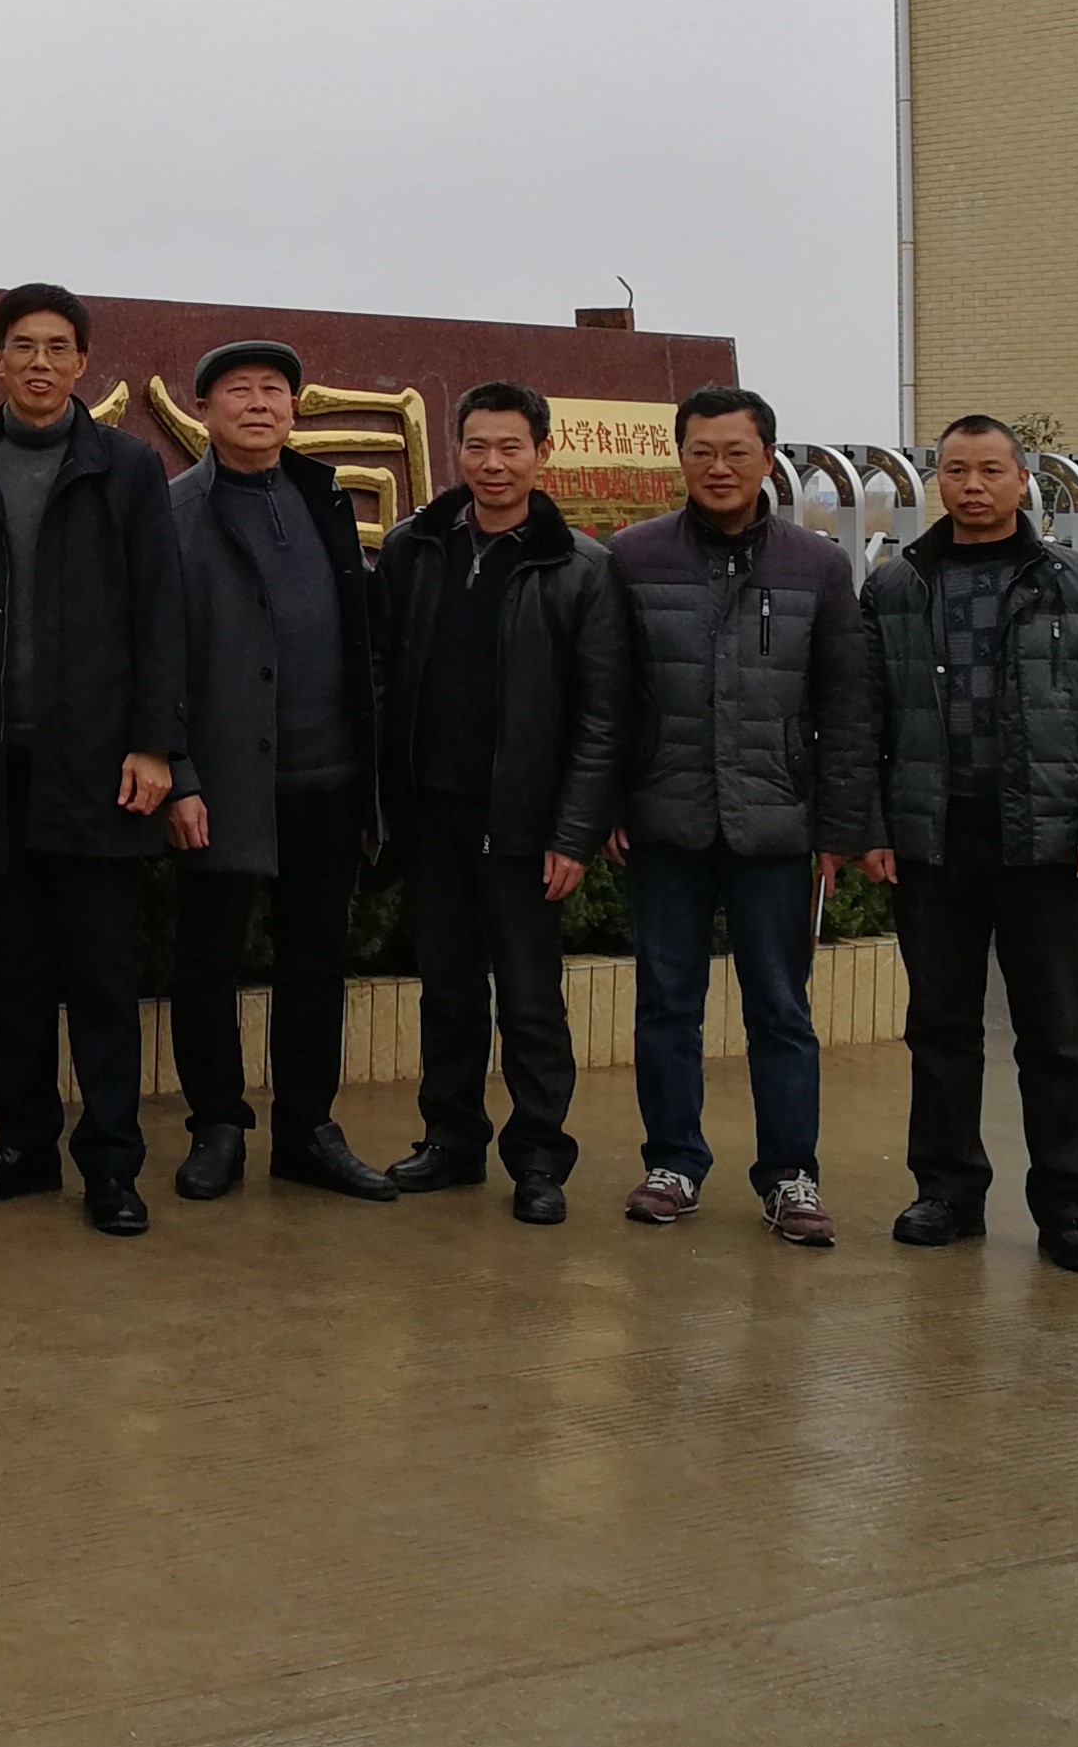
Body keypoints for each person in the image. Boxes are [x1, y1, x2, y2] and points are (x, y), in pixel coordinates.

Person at [0, 285, 185, 1237]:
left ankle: (111, 1164)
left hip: (101, 766)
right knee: (19, 978)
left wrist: (155, 743)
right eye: (22, 346)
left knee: (103, 979)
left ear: (82, 363)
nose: (40, 363)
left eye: (58, 347)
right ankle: (23, 1148)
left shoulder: (128, 468)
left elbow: (161, 612)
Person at [855, 415, 1078, 1276]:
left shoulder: (1077, 585)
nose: (972, 486)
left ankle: (1068, 1208)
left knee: (1055, 1036)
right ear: (936, 481)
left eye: (989, 470)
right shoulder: (896, 587)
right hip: (933, 839)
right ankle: (946, 1193)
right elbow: (863, 720)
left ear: (1023, 480)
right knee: (940, 1027)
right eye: (955, 470)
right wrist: (871, 827)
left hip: (1042, 843)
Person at [604, 383, 884, 1246]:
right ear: (680, 458)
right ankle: (673, 1163)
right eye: (702, 452)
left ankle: (791, 1176)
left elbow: (847, 704)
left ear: (768, 459)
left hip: (776, 823)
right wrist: (609, 801)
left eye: (736, 453)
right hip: (667, 818)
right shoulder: (632, 557)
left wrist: (840, 827)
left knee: (780, 1010)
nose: (718, 468)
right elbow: (608, 695)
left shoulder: (817, 565)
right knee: (666, 1004)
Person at [369, 380, 629, 1225]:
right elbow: (381, 673)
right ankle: (451, 1140)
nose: (492, 464)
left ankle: (540, 1158)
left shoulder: (579, 567)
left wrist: (574, 833)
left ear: (541, 453)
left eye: (510, 447)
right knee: (446, 990)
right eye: (477, 446)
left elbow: (602, 713)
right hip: (431, 812)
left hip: (523, 824)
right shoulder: (414, 548)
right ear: (457, 450)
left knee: (529, 999)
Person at [163, 337, 396, 1206]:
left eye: (273, 390)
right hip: (220, 781)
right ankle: (217, 1126)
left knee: (315, 961)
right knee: (208, 962)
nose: (257, 404)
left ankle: (306, 1128)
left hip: (325, 777)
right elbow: (153, 656)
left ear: (295, 409)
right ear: (203, 410)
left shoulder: (324, 497)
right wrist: (179, 773)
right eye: (238, 390)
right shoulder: (174, 511)